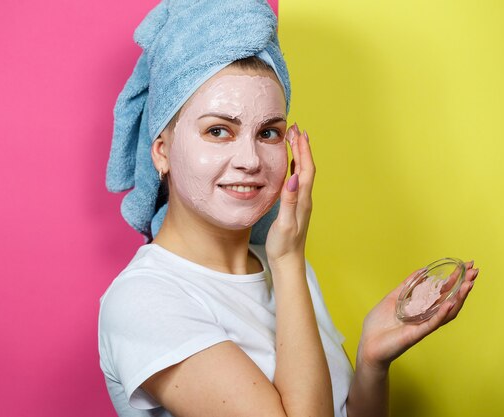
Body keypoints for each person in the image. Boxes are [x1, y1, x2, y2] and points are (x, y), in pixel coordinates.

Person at [98, 1, 480, 416]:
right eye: (219, 130)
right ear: (162, 152)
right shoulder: (144, 301)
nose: (250, 159)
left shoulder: (280, 264)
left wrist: (371, 361)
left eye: (269, 132)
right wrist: (289, 260)